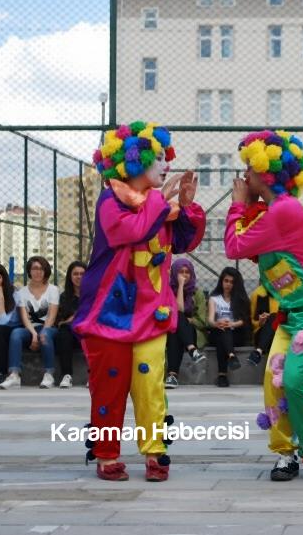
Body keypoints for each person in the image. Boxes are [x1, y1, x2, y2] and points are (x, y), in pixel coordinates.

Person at [73, 121, 205, 482]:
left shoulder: (161, 206)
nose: (166, 165)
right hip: (109, 313)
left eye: (166, 158)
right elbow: (130, 230)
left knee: (150, 382)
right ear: (135, 163)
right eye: (158, 158)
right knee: (110, 384)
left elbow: (182, 242)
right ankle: (106, 453)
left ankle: (154, 451)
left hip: (152, 311)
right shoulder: (110, 201)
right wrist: (165, 201)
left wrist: (188, 206)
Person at [224, 129, 303, 483]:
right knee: (272, 379)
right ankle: (286, 453)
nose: (244, 175)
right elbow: (249, 250)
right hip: (293, 313)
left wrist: (237, 204)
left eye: (249, 167)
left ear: (265, 172)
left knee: (296, 381)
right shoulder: (271, 211)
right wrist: (247, 207)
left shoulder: (284, 211)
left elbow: (234, 247)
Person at [0, 256, 60, 390]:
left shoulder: (53, 290)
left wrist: (42, 332)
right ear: (29, 271)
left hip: (49, 328)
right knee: (16, 333)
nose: (38, 271)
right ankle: (14, 375)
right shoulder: (21, 292)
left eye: (41, 268)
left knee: (45, 334)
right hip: (30, 328)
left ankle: (49, 375)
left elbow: (51, 316)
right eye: (34, 268)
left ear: (46, 271)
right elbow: (24, 317)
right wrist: (33, 334)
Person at [164, 258, 206, 389]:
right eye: (180, 272)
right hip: (170, 330)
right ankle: (192, 350)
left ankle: (172, 376)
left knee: (178, 320)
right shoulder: (167, 290)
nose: (184, 275)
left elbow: (202, 321)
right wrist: (181, 286)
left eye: (187, 272)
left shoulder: (197, 293)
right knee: (176, 322)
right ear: (174, 273)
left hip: (192, 332)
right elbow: (179, 309)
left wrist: (190, 320)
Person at [206, 267, 251, 387]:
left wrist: (231, 324)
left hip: (236, 334)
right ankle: (231, 356)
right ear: (221, 281)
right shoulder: (214, 299)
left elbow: (244, 320)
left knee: (225, 331)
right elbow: (210, 319)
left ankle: (222, 375)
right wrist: (216, 323)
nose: (228, 284)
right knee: (222, 331)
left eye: (232, 282)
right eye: (226, 281)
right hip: (218, 332)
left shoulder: (241, 299)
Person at [54, 261, 87, 389]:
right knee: (64, 333)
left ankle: (93, 375)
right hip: (70, 334)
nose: (79, 277)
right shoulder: (64, 296)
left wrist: (74, 318)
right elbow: (60, 322)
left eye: (82, 274)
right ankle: (66, 375)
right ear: (70, 277)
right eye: (75, 274)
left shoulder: (93, 294)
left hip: (87, 332)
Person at [248, 284, 279, 367]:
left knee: (274, 316)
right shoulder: (258, 294)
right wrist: (260, 322)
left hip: (281, 331)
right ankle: (259, 349)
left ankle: (258, 351)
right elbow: (252, 321)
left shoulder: (288, 292)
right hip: (262, 333)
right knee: (273, 317)